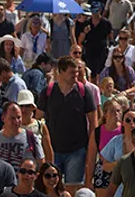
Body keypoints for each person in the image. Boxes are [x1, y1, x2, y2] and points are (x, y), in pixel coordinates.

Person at [36, 56, 99, 187]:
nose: (75, 76)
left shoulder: (84, 92)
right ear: (61, 72)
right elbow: (38, 120)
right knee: (52, 187)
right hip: (53, 149)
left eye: (77, 72)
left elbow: (93, 121)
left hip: (77, 150)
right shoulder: (48, 92)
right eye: (72, 73)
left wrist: (92, 146)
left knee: (73, 187)